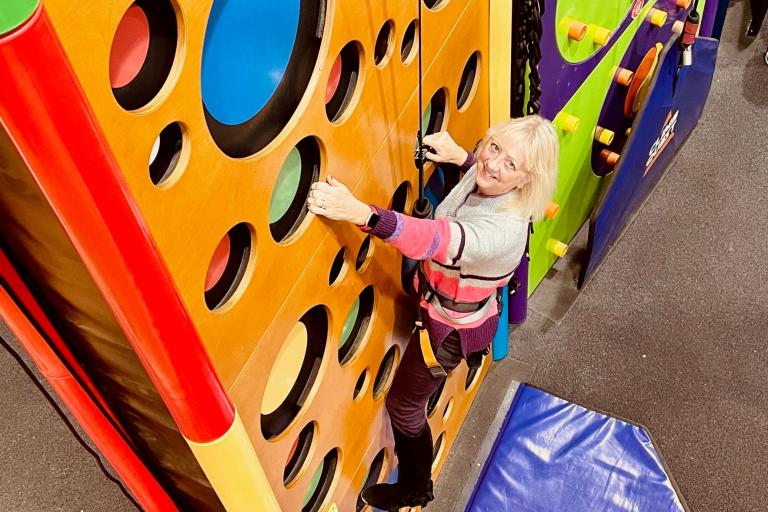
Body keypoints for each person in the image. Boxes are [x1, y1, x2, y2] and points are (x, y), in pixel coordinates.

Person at [307, 115, 558, 510]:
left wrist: (360, 213)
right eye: (494, 148)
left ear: (526, 180)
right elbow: (480, 175)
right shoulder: (487, 176)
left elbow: (434, 239)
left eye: (511, 164)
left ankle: (415, 490)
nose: (491, 165)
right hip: (439, 298)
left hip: (448, 330)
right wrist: (461, 156)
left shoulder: (502, 230)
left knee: (404, 407)